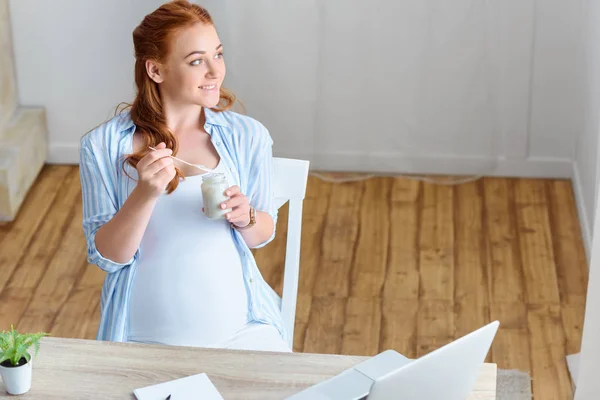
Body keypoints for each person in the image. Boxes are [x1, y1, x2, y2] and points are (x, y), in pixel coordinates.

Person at [79, 0, 290, 352]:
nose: (215, 72)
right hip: (141, 341)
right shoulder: (102, 146)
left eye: (218, 55)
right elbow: (107, 257)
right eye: (196, 61)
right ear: (156, 70)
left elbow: (261, 235)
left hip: (243, 332)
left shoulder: (247, 136)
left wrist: (246, 216)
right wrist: (144, 194)